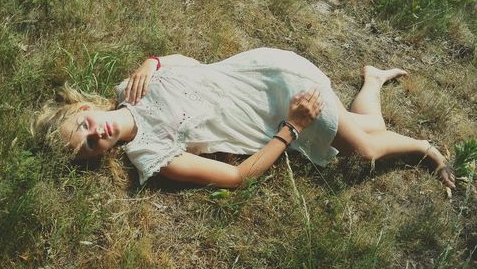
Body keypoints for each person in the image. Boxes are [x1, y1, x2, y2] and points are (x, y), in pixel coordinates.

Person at [31, 48, 456, 189]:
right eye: (90, 144)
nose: (95, 133)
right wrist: (292, 128)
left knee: (364, 146)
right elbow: (236, 178)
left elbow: (188, 62)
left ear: (85, 109)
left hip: (266, 72)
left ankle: (423, 147)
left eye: (84, 125)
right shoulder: (151, 153)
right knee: (369, 137)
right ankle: (375, 82)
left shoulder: (132, 86)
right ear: (99, 155)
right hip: (278, 111)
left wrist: (153, 59)